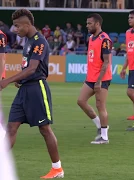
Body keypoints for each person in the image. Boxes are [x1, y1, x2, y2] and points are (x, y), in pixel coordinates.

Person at [0, 9, 64, 178]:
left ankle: (57, 168)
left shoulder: (39, 41)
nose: (15, 30)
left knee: (44, 129)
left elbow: (33, 68)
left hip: (37, 88)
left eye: (17, 26)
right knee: (11, 127)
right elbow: (27, 68)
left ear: (27, 25)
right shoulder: (28, 41)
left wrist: (7, 80)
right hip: (24, 90)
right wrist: (19, 80)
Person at [77, 13, 112, 144]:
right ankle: (99, 124)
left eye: (89, 23)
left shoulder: (105, 40)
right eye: (87, 23)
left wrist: (99, 81)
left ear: (97, 24)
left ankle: (104, 136)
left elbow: (106, 62)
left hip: (101, 79)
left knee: (100, 105)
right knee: (81, 101)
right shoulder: (91, 38)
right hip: (90, 78)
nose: (87, 26)